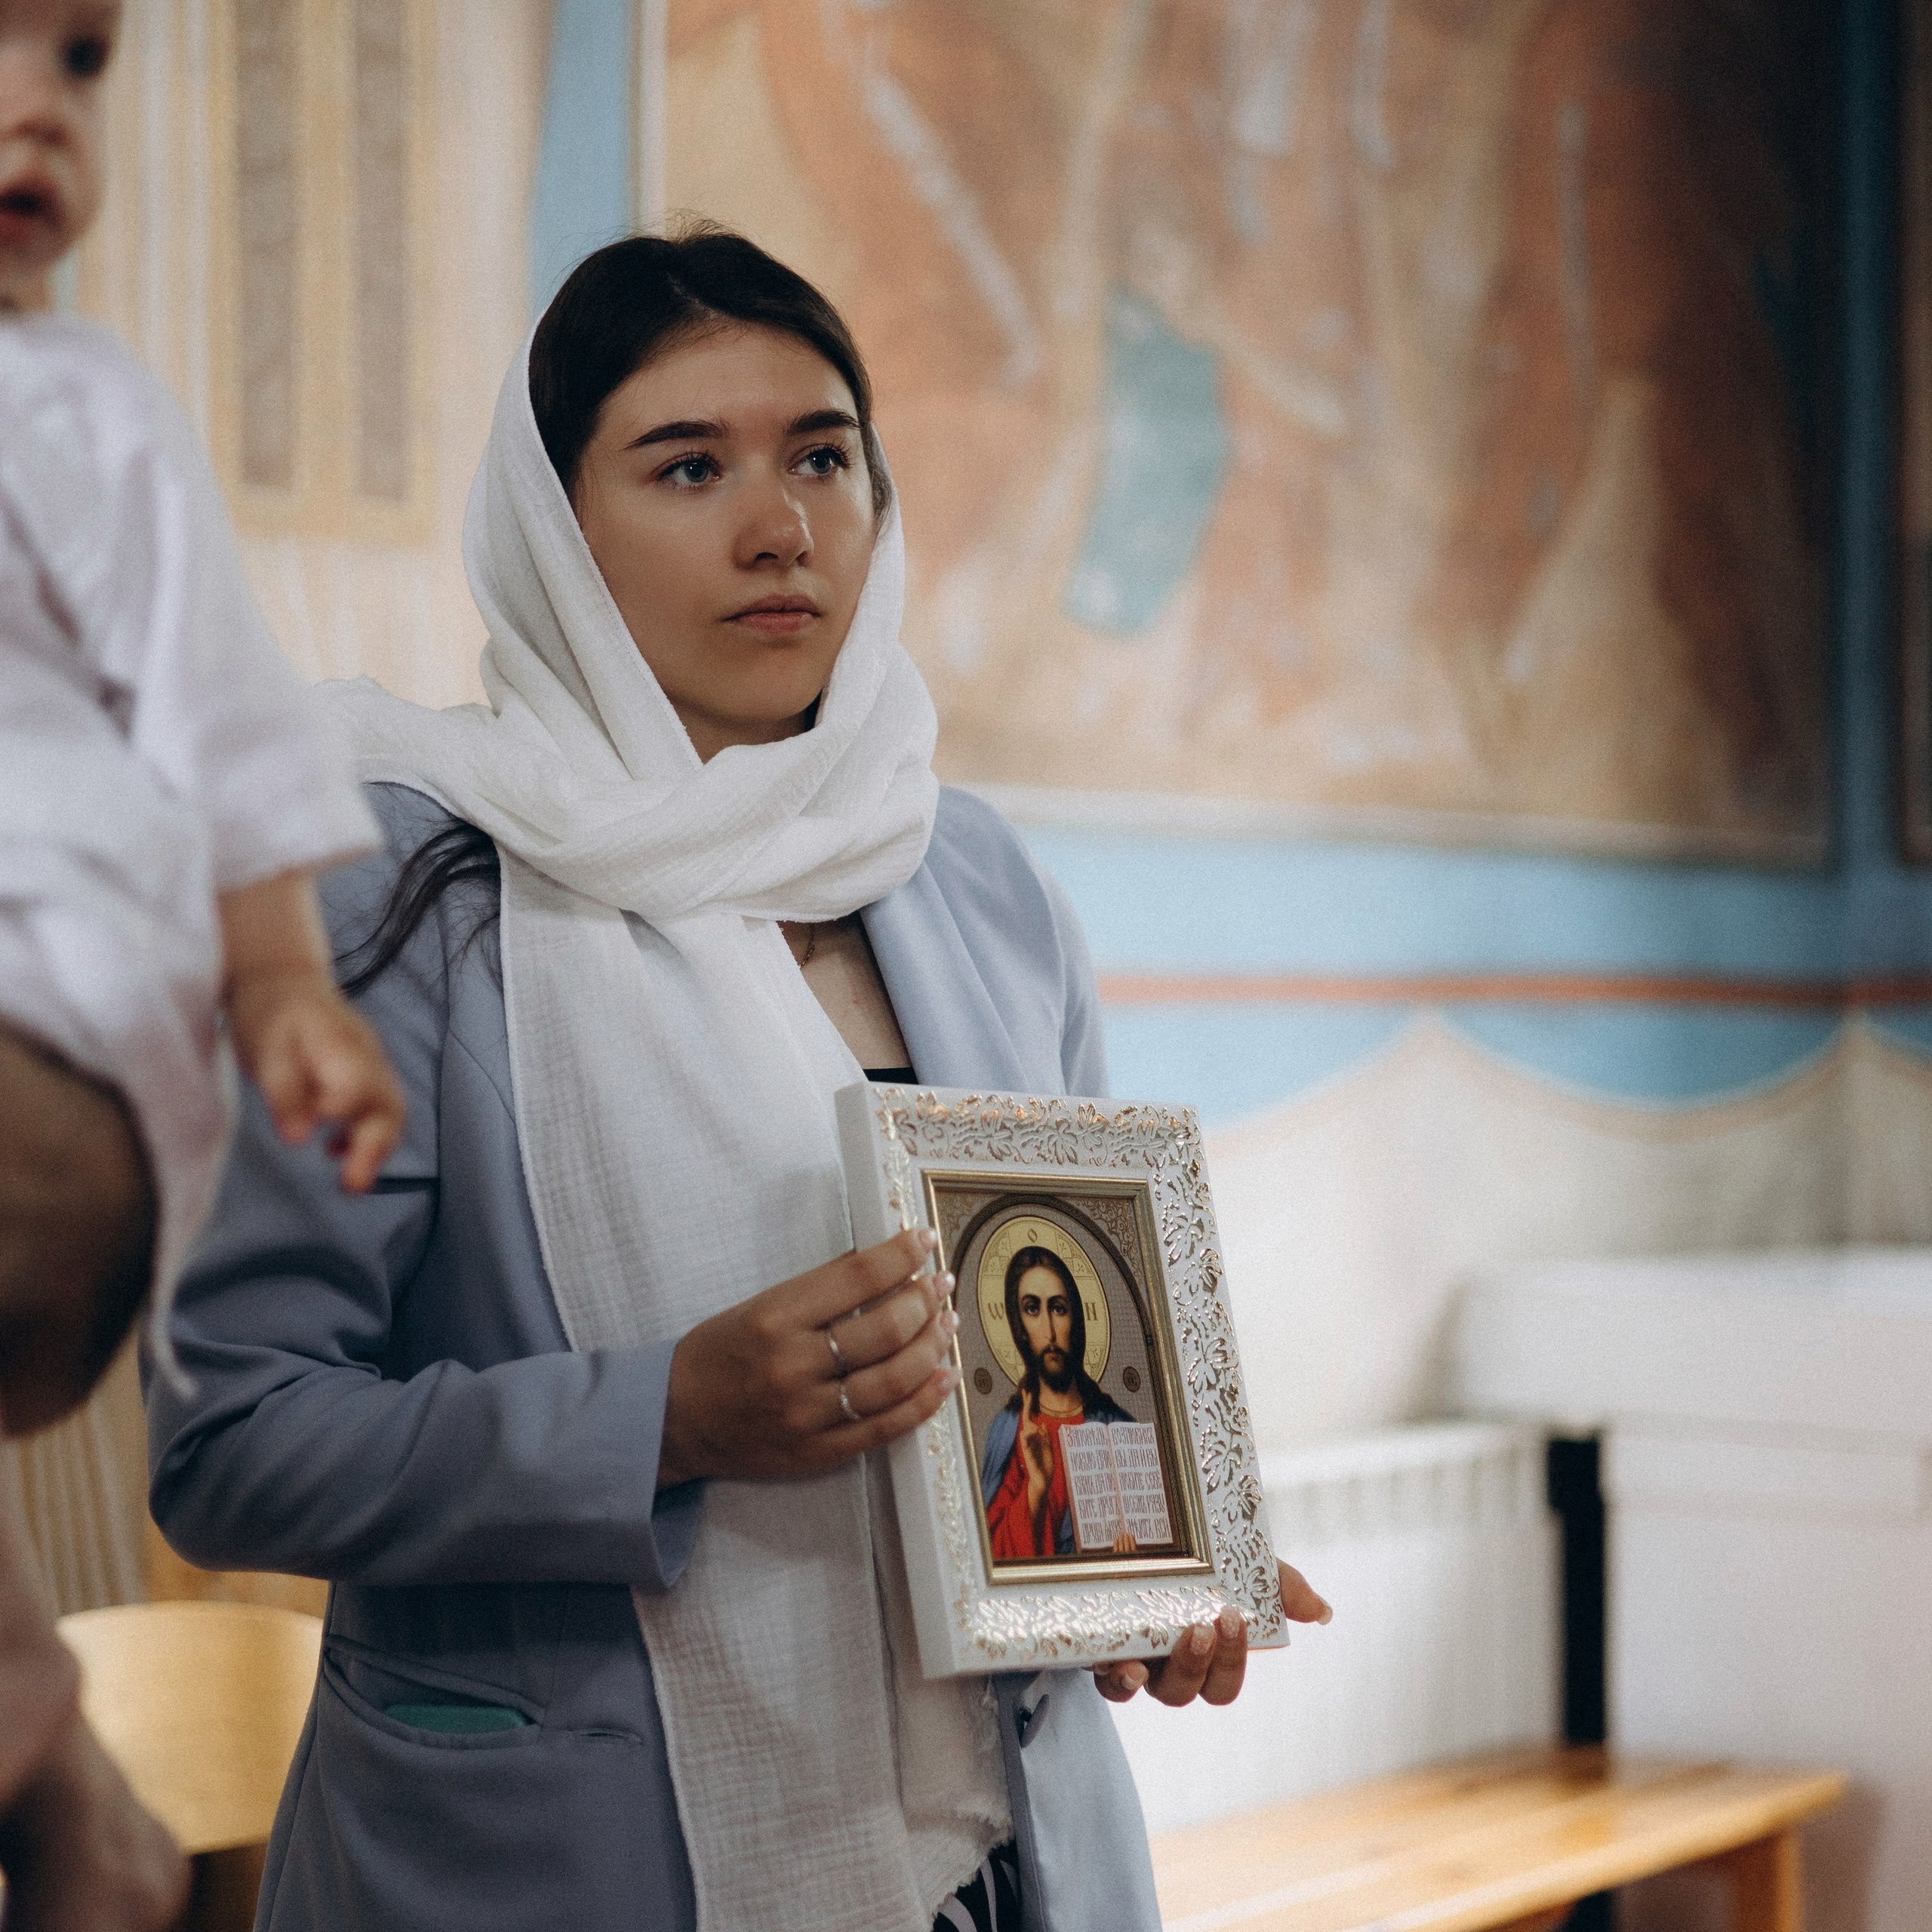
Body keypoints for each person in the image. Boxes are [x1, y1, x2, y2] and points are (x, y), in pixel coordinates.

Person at [148, 226, 1330, 1932]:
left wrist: (1142, 1581)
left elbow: (1032, 1385)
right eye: (686, 464)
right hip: (559, 1859)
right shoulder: (403, 901)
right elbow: (234, 1442)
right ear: (554, 532)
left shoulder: (973, 882)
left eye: (823, 458)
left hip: (1000, 1871)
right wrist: (664, 1416)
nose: (777, 526)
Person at [980, 1247, 1135, 1560]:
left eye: (1059, 1309)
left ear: (1075, 1319)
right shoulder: (1011, 1430)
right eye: (1032, 1309)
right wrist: (1036, 1488)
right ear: (1019, 1326)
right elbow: (991, 1558)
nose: (1049, 1331)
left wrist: (1134, 1556)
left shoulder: (1117, 1425)